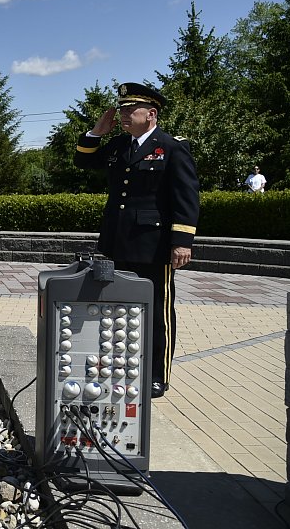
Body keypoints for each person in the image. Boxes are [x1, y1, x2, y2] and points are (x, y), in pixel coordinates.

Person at [74, 82, 200, 399]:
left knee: (157, 311)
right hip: (117, 242)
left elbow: (186, 197)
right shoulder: (118, 145)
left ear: (151, 113)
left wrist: (181, 241)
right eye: (122, 110)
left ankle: (157, 374)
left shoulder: (170, 147)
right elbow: (84, 162)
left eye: (131, 110)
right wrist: (95, 132)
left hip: (152, 245)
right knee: (117, 307)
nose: (124, 115)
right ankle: (123, 366)